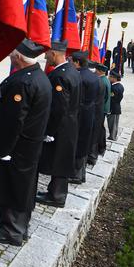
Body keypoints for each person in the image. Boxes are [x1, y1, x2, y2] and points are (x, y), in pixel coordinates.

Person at [0, 39, 52, 247]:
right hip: (29, 145)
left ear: (19, 57)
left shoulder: (23, 82)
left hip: (18, 148)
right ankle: (18, 226)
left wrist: (3, 149)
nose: (10, 56)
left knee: (13, 187)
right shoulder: (38, 77)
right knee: (24, 186)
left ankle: (12, 230)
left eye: (13, 53)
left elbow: (13, 121)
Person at [36, 40, 81, 208]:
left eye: (47, 53)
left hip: (62, 125)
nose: (45, 56)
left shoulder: (60, 75)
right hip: (70, 122)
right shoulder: (71, 70)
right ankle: (54, 191)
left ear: (54, 54)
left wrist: (50, 130)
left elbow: (58, 107)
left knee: (60, 160)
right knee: (62, 159)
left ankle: (57, 195)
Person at [71, 51, 99, 183]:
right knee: (84, 143)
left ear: (77, 62)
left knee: (77, 143)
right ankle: (80, 174)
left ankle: (76, 174)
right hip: (90, 112)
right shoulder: (93, 76)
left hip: (80, 114)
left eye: (72, 61)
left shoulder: (79, 77)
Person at [91, 61, 110, 162]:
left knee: (99, 129)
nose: (95, 72)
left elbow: (105, 96)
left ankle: (101, 147)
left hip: (101, 109)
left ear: (99, 71)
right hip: (104, 108)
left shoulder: (102, 81)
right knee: (101, 128)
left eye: (96, 70)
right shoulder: (105, 79)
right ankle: (101, 147)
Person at [107, 71, 124, 140]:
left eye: (110, 77)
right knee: (115, 124)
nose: (108, 78)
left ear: (114, 78)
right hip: (117, 107)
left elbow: (112, 99)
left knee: (112, 124)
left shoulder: (114, 88)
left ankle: (112, 137)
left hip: (113, 108)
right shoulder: (120, 86)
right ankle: (113, 136)